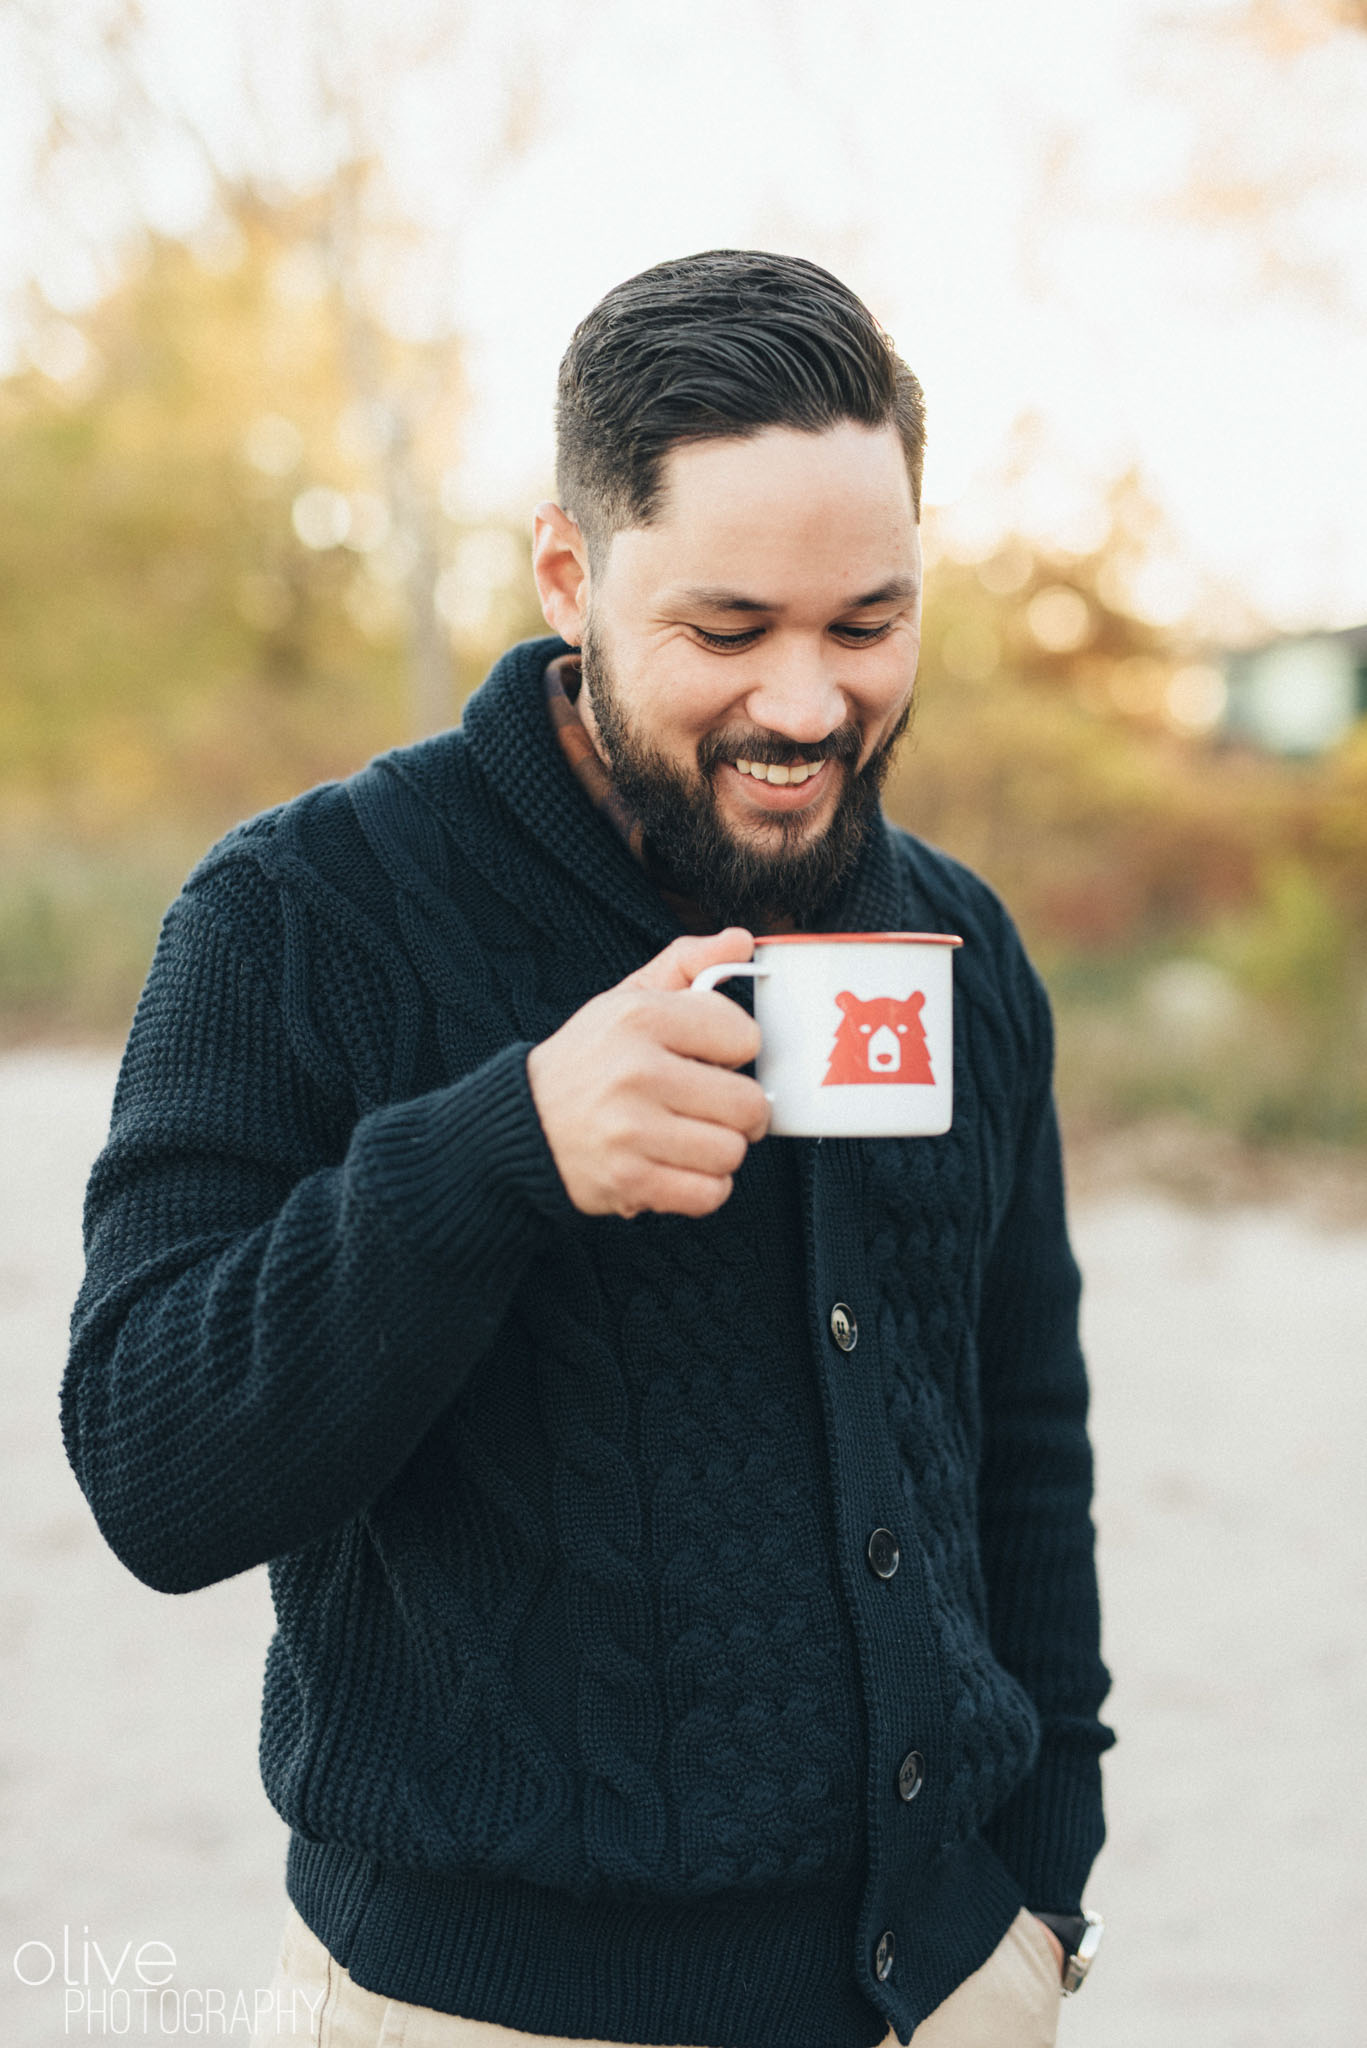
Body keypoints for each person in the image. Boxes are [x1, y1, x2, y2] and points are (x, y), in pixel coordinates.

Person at [63, 250, 1113, 2048]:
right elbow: (154, 1472)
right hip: (495, 2010)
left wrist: (1048, 1897)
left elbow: (1020, 1440)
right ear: (570, 569)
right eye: (727, 632)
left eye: (867, 625)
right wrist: (504, 1149)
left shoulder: (965, 943)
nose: (805, 708)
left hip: (954, 1983)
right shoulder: (300, 917)